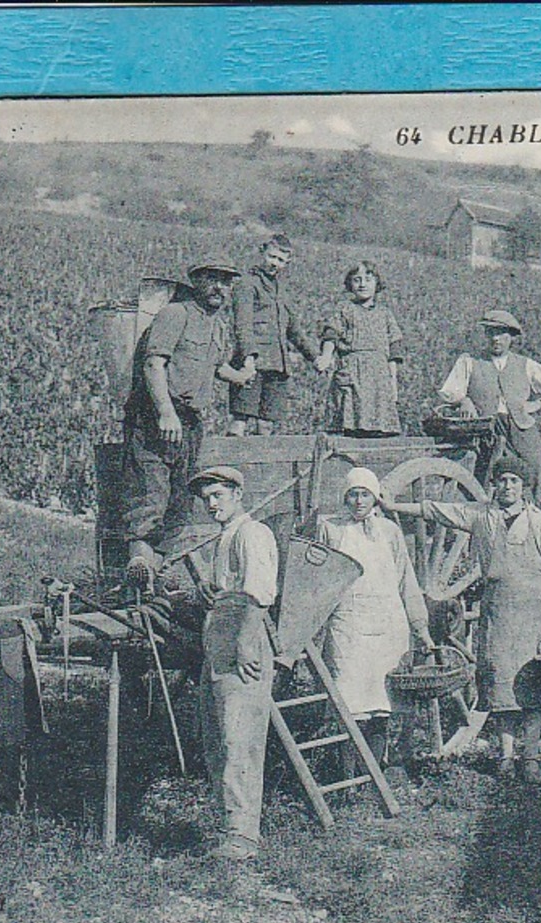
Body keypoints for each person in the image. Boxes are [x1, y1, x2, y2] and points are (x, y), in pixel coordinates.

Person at [382, 455, 541, 784]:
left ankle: (529, 757)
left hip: (536, 612)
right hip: (499, 611)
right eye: (502, 480)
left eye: (514, 481)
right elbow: (435, 510)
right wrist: (393, 506)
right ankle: (504, 757)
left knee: (534, 686)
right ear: (495, 484)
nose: (507, 486)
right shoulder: (481, 515)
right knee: (502, 687)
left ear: (524, 487)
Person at [121, 264, 240, 574]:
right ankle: (139, 567)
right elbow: (153, 364)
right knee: (150, 501)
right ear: (196, 281)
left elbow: (215, 366)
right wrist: (165, 412)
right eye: (212, 279)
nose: (219, 287)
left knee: (180, 508)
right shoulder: (175, 314)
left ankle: (152, 576)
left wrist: (240, 377)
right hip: (155, 418)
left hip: (190, 423)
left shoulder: (217, 325)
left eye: (226, 282)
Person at [315, 467, 434, 770]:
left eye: (364, 494)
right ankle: (348, 778)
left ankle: (374, 773)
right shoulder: (331, 529)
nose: (358, 501)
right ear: (345, 497)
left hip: (387, 623)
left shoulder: (389, 532)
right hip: (349, 625)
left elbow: (406, 580)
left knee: (381, 702)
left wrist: (420, 626)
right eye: (353, 494)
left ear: (375, 498)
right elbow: (316, 579)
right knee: (349, 700)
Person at [190, 465, 280, 860]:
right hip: (221, 633)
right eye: (206, 498)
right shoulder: (225, 537)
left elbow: (259, 594)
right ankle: (230, 825)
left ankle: (244, 836)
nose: (211, 505)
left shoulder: (253, 533)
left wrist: (246, 645)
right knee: (218, 736)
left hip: (244, 633)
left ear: (237, 494)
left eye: (218, 496)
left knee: (239, 737)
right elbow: (230, 589)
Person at [435, 309, 541, 490]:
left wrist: (538, 404)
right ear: (485, 335)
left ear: (511, 337)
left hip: (520, 429)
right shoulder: (469, 361)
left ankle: (529, 513)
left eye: (501, 333)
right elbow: (449, 391)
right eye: (491, 333)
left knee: (530, 473)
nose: (496, 339)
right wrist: (463, 400)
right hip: (485, 430)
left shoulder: (525, 365)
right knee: (485, 479)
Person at [228, 233, 325, 436]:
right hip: (252, 364)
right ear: (262, 252)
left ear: (287, 262)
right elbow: (242, 325)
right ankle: (230, 465)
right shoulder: (246, 283)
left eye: (281, 260)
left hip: (277, 365)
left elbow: (294, 330)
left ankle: (260, 467)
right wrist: (247, 359)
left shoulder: (282, 289)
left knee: (267, 425)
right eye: (272, 257)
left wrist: (315, 357)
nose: (275, 263)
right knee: (241, 419)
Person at [319, 262, 405, 437]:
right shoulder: (345, 309)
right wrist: (326, 356)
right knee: (349, 425)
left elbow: (394, 350)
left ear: (377, 283)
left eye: (368, 279)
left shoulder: (385, 314)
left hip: (379, 379)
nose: (362, 284)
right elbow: (331, 334)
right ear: (350, 284)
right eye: (357, 280)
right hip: (352, 372)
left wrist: (393, 382)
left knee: (379, 428)